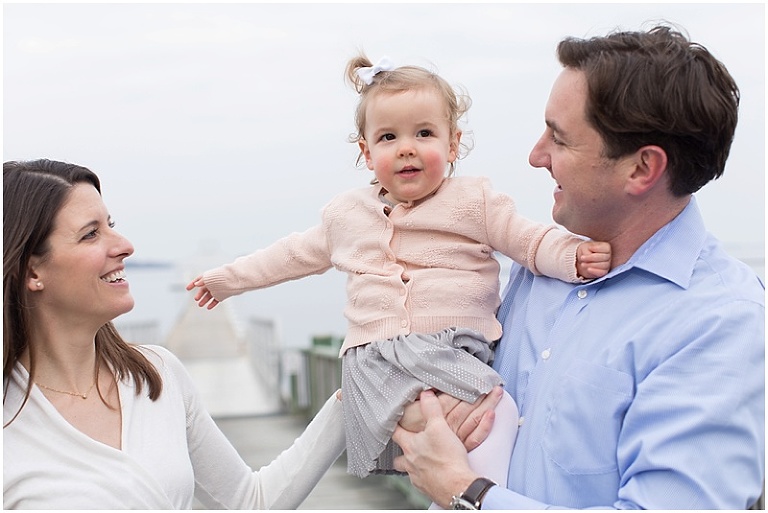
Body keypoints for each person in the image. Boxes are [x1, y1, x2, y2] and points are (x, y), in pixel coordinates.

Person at [187, 54, 611, 487]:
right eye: (388, 137)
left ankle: (467, 494)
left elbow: (528, 240)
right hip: (378, 359)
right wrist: (227, 281)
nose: (407, 147)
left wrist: (570, 256)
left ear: (452, 145)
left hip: (452, 352)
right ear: (367, 153)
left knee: (480, 422)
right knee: (492, 412)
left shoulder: (475, 203)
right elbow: (290, 255)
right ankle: (480, 496)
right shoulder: (346, 215)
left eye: (424, 133)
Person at [391, 24, 765, 510]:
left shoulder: (722, 323)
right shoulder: (539, 269)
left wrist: (466, 493)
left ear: (642, 169)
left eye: (560, 139)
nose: (535, 155)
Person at [2, 159, 350, 509]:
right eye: (91, 233)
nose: (124, 245)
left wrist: (357, 394)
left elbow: (250, 502)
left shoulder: (157, 374)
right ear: (33, 272)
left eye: (111, 225)